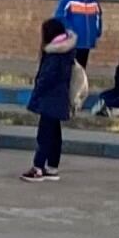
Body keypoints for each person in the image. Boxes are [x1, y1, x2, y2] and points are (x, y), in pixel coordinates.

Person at [22, 15, 77, 182]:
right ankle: (52, 167)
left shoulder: (54, 54)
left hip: (49, 98)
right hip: (59, 97)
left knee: (44, 134)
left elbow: (47, 77)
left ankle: (38, 167)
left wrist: (37, 91)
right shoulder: (67, 51)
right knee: (54, 133)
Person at [56, 0, 106, 106]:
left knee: (80, 72)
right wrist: (70, 31)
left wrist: (97, 31)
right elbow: (60, 17)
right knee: (68, 71)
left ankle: (75, 99)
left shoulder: (93, 0)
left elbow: (98, 16)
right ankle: (64, 98)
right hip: (72, 43)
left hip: (86, 43)